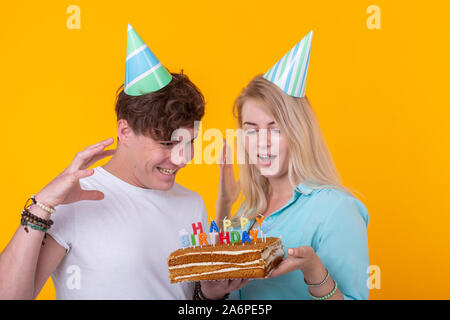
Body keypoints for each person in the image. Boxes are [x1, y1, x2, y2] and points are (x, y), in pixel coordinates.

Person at [0, 25, 207, 299]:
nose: (181, 158)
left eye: (188, 142)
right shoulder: (76, 199)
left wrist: (212, 296)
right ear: (125, 132)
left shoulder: (193, 205)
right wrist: (41, 207)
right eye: (167, 144)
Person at [199, 31, 369, 300]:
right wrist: (224, 205)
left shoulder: (337, 209)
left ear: (299, 132)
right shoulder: (247, 211)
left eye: (275, 129)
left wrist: (314, 271)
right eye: (251, 130)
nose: (262, 144)